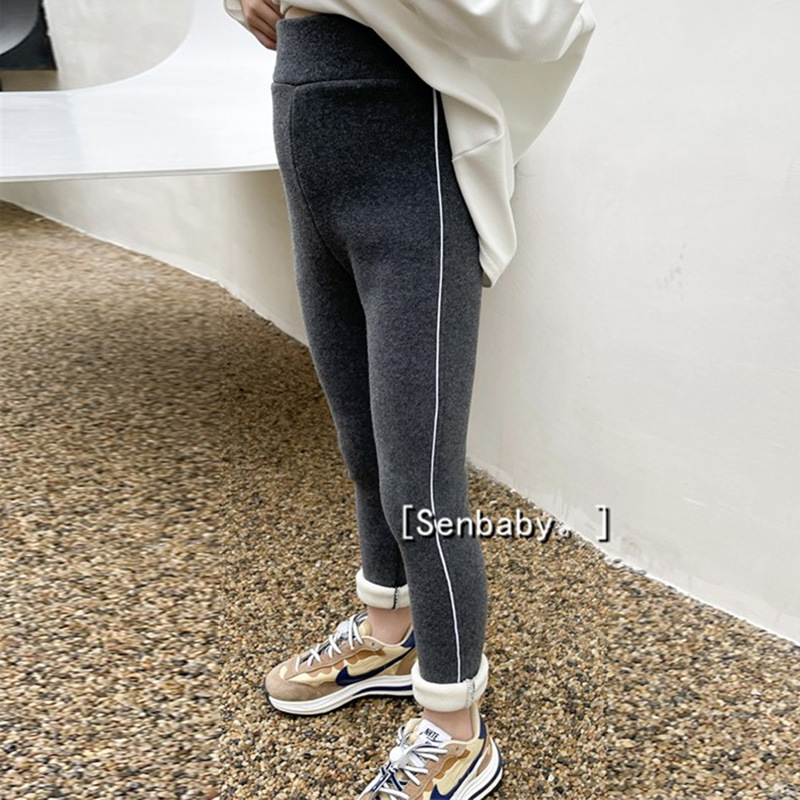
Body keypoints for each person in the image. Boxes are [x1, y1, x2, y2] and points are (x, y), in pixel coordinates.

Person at [224, 1, 595, 796]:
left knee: (420, 482)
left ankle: (456, 728)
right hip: (314, 171)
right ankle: (389, 631)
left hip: (408, 185)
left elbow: (546, 20)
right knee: (362, 447)